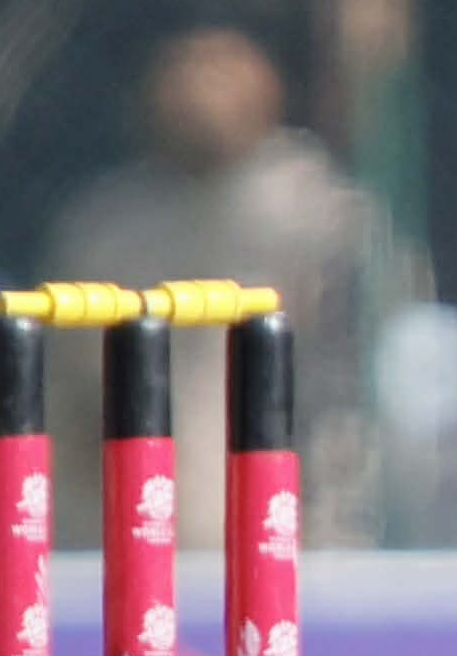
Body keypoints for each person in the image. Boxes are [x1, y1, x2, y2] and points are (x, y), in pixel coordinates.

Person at [46, 26, 376, 537]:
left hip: (299, 524)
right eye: (187, 64)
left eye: (222, 66)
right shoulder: (106, 229)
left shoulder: (323, 213)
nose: (202, 84)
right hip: (132, 531)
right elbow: (70, 392)